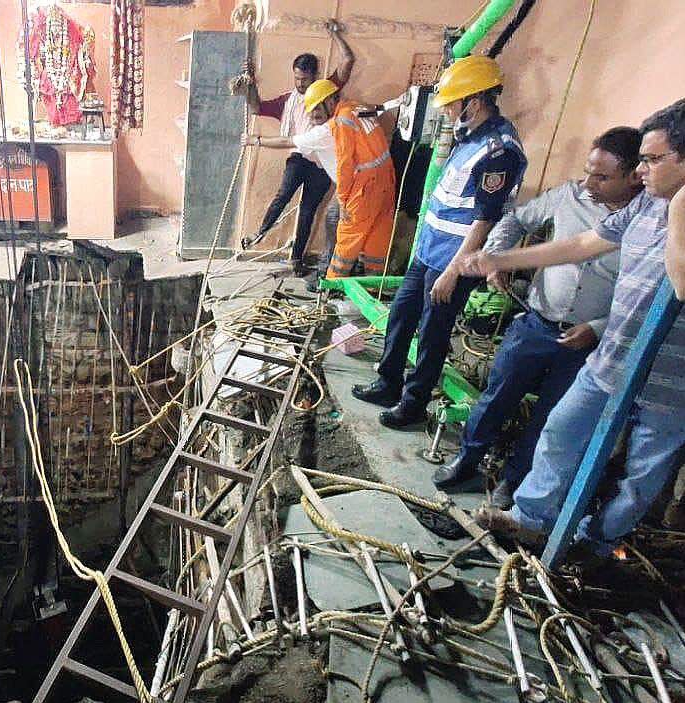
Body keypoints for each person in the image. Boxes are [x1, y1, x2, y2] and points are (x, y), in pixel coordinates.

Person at [460, 99, 685, 559]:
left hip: (672, 385)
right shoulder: (643, 205)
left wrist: (680, 209)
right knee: (561, 431)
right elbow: (583, 244)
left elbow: (681, 283)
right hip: (613, 360)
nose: (643, 170)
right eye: (640, 159)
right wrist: (500, 258)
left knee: (641, 478)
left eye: (653, 159)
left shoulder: (673, 209)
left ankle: (594, 544)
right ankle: (530, 520)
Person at [433, 128, 643, 506]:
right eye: (588, 172)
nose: (588, 183)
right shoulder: (569, 197)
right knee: (497, 397)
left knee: (551, 418)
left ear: (633, 176)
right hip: (536, 323)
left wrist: (597, 329)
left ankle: (512, 483)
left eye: (602, 177)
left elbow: (642, 297)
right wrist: (496, 256)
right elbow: (516, 219)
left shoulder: (646, 225)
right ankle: (468, 459)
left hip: (588, 344)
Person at [351, 55, 526, 429]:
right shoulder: (469, 138)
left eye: (451, 104)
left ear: (474, 102)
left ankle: (413, 405)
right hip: (429, 251)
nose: (446, 111)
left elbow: (485, 219)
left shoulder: (498, 151)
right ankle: (388, 382)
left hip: (453, 261)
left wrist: (453, 271)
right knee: (401, 315)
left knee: (432, 334)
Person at [246, 79, 395, 278]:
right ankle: (373, 281)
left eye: (316, 109)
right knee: (377, 234)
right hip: (385, 181)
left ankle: (331, 281)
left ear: (330, 101)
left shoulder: (333, 127)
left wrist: (254, 140)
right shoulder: (355, 108)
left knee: (346, 234)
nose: (312, 115)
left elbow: (344, 165)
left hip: (363, 187)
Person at [240, 21, 354, 275]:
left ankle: (296, 259)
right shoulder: (288, 100)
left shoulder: (326, 93)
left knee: (307, 211)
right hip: (300, 157)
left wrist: (335, 34)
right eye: (296, 78)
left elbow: (347, 61)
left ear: (315, 76)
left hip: (323, 164)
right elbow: (257, 108)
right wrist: (250, 85)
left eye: (304, 79)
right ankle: (260, 233)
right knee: (283, 194)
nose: (300, 83)